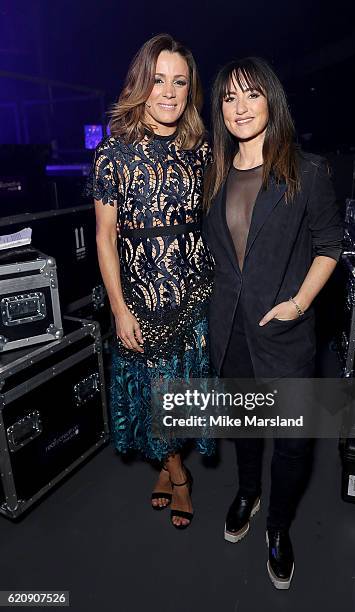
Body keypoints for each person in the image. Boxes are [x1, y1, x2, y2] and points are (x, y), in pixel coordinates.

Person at [203, 57, 343, 587]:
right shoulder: (213, 174)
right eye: (229, 98)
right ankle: (247, 492)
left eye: (252, 95)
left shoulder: (305, 171)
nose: (240, 108)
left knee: (290, 443)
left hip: (284, 333)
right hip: (230, 329)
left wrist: (300, 303)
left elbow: (330, 246)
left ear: (271, 101)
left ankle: (279, 527)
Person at [88, 33, 215, 529]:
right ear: (141, 84)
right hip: (138, 300)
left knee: (180, 392)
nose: (168, 92)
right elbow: (104, 238)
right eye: (158, 80)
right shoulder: (112, 155)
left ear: (189, 91)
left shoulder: (201, 152)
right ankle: (177, 473)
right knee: (152, 394)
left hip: (194, 295)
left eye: (179, 82)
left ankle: (169, 469)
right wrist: (119, 308)